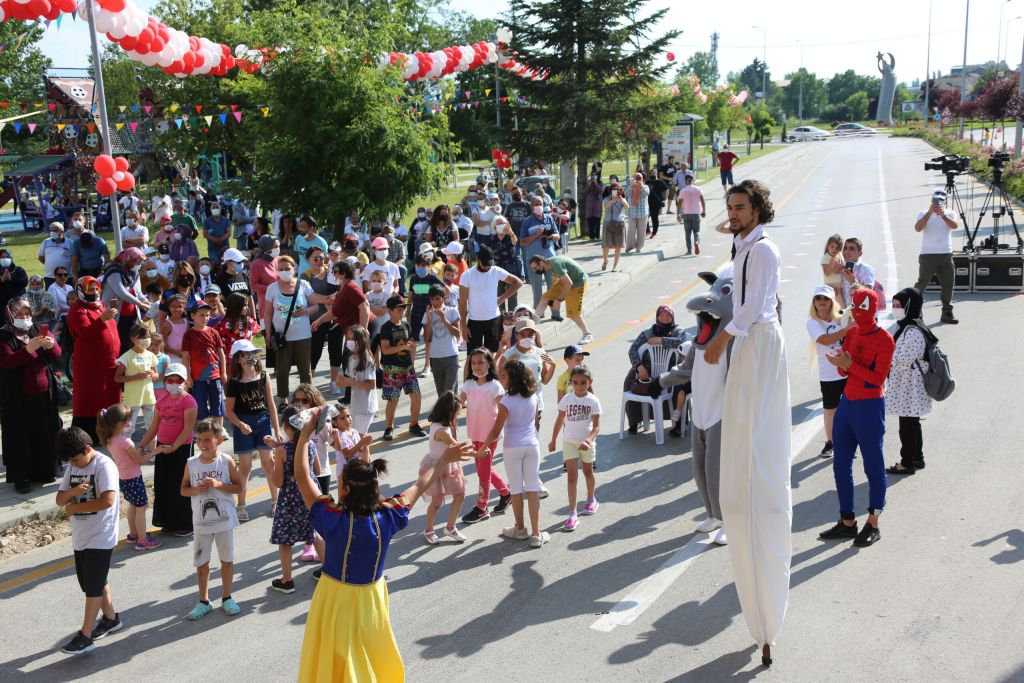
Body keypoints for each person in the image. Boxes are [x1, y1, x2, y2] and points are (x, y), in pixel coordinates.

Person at [290, 409, 473, 682]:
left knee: (338, 662)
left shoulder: (334, 519)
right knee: (369, 657)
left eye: (340, 482)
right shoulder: (389, 515)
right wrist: (445, 458)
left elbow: (303, 478)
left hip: (336, 599)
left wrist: (304, 435)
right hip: (372, 598)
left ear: (346, 490)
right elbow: (421, 484)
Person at [703, 179, 791, 668]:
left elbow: (756, 306)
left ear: (759, 208)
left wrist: (721, 338)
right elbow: (729, 228)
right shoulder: (744, 241)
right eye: (730, 207)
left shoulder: (764, 251)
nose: (731, 214)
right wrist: (736, 219)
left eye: (741, 207)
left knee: (756, 452)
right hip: (748, 341)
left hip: (756, 341)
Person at [819, 288, 894, 549]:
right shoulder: (851, 333)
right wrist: (840, 361)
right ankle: (847, 521)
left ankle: (873, 522)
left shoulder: (885, 339)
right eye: (855, 311)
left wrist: (850, 366)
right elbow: (843, 368)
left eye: (861, 311)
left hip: (870, 406)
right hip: (848, 403)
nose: (857, 317)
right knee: (840, 464)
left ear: (871, 311)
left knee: (873, 466)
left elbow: (877, 379)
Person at [54, 427, 124, 655]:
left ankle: (85, 635)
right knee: (91, 581)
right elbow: (59, 499)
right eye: (69, 461)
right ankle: (112, 619)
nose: (74, 464)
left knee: (92, 586)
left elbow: (108, 500)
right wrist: (73, 493)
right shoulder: (74, 467)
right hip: (81, 535)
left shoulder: (104, 465)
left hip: (101, 535)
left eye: (75, 459)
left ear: (87, 448)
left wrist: (74, 507)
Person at [479, 359, 549, 548]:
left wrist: (483, 447)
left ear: (513, 379)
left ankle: (520, 528)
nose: (501, 380)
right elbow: (536, 423)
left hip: (512, 447)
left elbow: (495, 430)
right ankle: (536, 533)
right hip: (532, 445)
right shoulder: (533, 397)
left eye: (503, 376)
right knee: (533, 488)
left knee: (516, 489)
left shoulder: (506, 401)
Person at [181, 418, 243, 619]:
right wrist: (195, 490)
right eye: (199, 440)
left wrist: (218, 485)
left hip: (224, 521)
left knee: (226, 559)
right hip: (201, 523)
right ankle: (203, 600)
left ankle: (227, 597)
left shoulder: (226, 461)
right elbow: (183, 489)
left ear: (219, 440)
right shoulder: (191, 463)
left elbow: (238, 487)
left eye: (207, 440)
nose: (202, 444)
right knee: (202, 561)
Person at [0, 296, 62, 493]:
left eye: (27, 314)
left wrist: (51, 346)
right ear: (11, 315)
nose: (24, 317)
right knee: (21, 437)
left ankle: (45, 471)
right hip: (19, 398)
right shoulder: (4, 335)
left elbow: (57, 355)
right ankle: (22, 477)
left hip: (44, 394)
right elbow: (7, 362)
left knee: (44, 433)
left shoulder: (36, 329)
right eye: (19, 314)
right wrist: (28, 349)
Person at [265, 406, 324, 594]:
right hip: (310, 493)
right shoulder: (310, 445)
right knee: (315, 533)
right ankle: (329, 571)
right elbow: (318, 471)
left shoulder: (283, 451)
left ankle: (287, 579)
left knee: (285, 539)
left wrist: (275, 461)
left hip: (290, 498)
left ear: (286, 426)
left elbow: (278, 481)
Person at [224, 339, 280, 521]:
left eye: (253, 354)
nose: (251, 358)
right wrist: (240, 425)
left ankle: (275, 501)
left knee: (269, 464)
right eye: (247, 355)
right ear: (238, 359)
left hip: (263, 422)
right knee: (246, 467)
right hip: (244, 424)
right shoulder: (234, 382)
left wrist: (277, 429)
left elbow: (271, 404)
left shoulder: (263, 376)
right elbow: (229, 411)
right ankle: (241, 505)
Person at [139, 362, 198, 537]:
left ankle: (185, 523)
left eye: (177, 380)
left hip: (181, 448)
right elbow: (154, 426)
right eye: (170, 380)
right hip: (162, 448)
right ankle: (168, 521)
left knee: (180, 485)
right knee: (163, 485)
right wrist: (141, 445)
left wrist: (174, 447)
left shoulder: (189, 401)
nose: (173, 383)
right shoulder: (161, 401)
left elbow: (188, 428)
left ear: (185, 382)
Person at [459, 348, 512, 524]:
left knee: (483, 472)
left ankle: (482, 507)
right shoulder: (468, 384)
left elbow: (505, 409)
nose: (477, 366)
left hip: (490, 436)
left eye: (481, 362)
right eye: (474, 363)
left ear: (489, 363)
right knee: (484, 468)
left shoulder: (495, 386)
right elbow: (458, 403)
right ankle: (505, 493)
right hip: (475, 433)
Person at [95, 404, 160, 550]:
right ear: (122, 423)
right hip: (134, 478)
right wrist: (155, 451)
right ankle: (143, 540)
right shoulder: (125, 441)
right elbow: (139, 460)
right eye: (128, 419)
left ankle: (133, 534)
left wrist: (137, 453)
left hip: (123, 478)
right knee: (141, 507)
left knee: (133, 505)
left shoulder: (110, 439)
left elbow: (130, 457)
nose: (130, 422)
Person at [885, 288, 935, 475]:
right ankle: (917, 458)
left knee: (907, 427)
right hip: (907, 385)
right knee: (912, 424)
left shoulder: (913, 330)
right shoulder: (907, 326)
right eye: (894, 305)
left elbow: (903, 359)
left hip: (910, 386)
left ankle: (906, 463)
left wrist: (886, 354)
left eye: (899, 306)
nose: (895, 309)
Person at [67, 277, 122, 443]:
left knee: (109, 397)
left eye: (96, 289)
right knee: (91, 400)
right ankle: (90, 436)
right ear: (81, 291)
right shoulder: (77, 310)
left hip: (109, 362)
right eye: (90, 290)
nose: (95, 292)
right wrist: (102, 319)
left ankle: (110, 432)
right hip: (90, 364)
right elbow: (85, 332)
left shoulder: (100, 306)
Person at [548, 366, 601, 532]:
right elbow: (559, 420)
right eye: (575, 383)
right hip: (569, 442)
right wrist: (553, 439)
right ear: (571, 383)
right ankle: (572, 513)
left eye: (583, 383)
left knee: (587, 472)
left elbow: (597, 427)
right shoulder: (566, 399)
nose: (579, 386)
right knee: (571, 477)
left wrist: (589, 439)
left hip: (586, 444)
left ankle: (591, 498)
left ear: (589, 382)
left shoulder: (593, 401)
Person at [622, 305, 687, 433]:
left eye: (668, 315)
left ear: (672, 317)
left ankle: (679, 425)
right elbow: (633, 349)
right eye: (661, 315)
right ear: (657, 317)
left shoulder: (678, 330)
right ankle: (635, 422)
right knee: (629, 381)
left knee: (679, 384)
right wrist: (639, 367)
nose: (665, 318)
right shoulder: (649, 332)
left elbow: (681, 342)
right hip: (648, 369)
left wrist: (660, 340)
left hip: (670, 370)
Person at [806, 286, 850, 458]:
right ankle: (830, 442)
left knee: (848, 408)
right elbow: (824, 340)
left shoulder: (841, 319)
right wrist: (845, 330)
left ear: (832, 302)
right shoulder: (812, 322)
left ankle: (847, 441)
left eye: (825, 299)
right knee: (830, 410)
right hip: (828, 374)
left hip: (847, 371)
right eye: (818, 298)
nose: (821, 302)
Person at [420, 391, 469, 544]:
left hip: (450, 464)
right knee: (437, 501)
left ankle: (450, 527)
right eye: (457, 412)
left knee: (460, 494)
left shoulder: (449, 425)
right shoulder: (441, 430)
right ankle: (428, 530)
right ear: (449, 412)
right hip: (436, 466)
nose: (459, 415)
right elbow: (457, 447)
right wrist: (479, 454)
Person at [265, 256, 314, 405]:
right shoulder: (272, 288)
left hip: (303, 335)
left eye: (287, 268)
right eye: (281, 269)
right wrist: (268, 333)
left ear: (294, 269)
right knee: (282, 369)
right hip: (282, 336)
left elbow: (315, 306)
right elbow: (267, 313)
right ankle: (283, 400)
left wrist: (305, 311)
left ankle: (307, 398)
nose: (284, 271)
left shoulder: (304, 285)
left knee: (305, 369)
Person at [458, 245, 523, 353]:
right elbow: (463, 302)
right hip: (474, 321)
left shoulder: (496, 271)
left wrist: (502, 298)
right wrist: (463, 326)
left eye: (489, 265)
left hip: (494, 319)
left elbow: (518, 283)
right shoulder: (467, 275)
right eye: (485, 265)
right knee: (472, 356)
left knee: (491, 354)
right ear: (478, 260)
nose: (487, 267)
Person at [378, 295, 425, 441]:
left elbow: (411, 343)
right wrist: (404, 346)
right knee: (393, 399)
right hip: (392, 368)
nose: (402, 310)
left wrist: (412, 360)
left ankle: (414, 424)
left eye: (403, 308)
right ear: (390, 310)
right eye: (399, 308)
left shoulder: (406, 325)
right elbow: (385, 349)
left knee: (416, 397)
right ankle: (389, 427)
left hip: (407, 368)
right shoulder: (386, 328)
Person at [498, 318, 556, 430]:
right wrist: (508, 365)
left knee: (534, 431)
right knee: (517, 431)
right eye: (523, 334)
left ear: (535, 335)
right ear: (516, 335)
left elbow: (545, 380)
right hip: (516, 401)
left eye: (530, 334)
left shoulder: (540, 353)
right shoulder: (509, 354)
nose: (527, 337)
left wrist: (553, 365)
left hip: (536, 401)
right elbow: (501, 380)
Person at [914, 189, 960, 324]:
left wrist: (943, 215)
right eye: (935, 200)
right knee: (921, 284)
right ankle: (915, 312)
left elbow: (954, 226)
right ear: (931, 199)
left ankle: (947, 313)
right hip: (928, 255)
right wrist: (929, 213)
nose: (937, 202)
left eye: (940, 200)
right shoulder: (923, 213)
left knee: (948, 284)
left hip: (945, 254)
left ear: (945, 201)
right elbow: (918, 228)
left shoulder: (950, 213)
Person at [529, 255, 593, 344]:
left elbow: (569, 283)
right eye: (533, 269)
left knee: (573, 314)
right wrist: (553, 298)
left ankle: (587, 334)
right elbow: (555, 279)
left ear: (541, 263)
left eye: (535, 268)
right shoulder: (548, 265)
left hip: (578, 284)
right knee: (545, 298)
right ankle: (531, 326)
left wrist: (558, 300)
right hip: (566, 282)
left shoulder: (555, 264)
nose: (535, 271)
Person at [182, 300, 227, 425]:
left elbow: (221, 353)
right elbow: (185, 357)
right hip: (197, 378)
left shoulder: (214, 332)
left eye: (207, 315)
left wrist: (223, 372)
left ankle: (219, 429)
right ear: (193, 316)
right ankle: (203, 430)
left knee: (217, 403)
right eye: (201, 315)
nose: (205, 318)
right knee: (200, 405)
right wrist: (188, 375)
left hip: (215, 375)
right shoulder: (188, 335)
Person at [114, 322, 158, 434]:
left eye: (148, 336)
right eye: (142, 337)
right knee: (128, 429)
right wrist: (136, 377)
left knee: (152, 428)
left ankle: (153, 451)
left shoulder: (151, 355)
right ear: (133, 339)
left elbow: (156, 375)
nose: (146, 340)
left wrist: (152, 375)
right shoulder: (127, 357)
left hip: (149, 397)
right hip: (132, 399)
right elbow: (117, 378)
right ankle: (128, 450)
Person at [519, 197, 560, 309]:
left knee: (553, 287)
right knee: (537, 289)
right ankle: (538, 312)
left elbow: (557, 236)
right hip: (533, 260)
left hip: (549, 258)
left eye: (540, 204)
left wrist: (549, 236)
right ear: (531, 206)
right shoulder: (527, 222)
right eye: (535, 204)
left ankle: (555, 312)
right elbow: (522, 242)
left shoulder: (549, 219)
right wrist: (535, 235)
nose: (538, 206)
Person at [422, 285, 462, 396]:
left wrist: (444, 319)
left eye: (437, 298)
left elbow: (457, 334)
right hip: (435, 357)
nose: (435, 302)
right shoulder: (427, 314)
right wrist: (429, 320)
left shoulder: (452, 311)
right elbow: (427, 338)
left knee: (450, 390)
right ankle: (444, 412)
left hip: (451, 355)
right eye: (432, 299)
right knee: (441, 391)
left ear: (443, 298)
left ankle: (452, 412)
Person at [338, 324, 378, 435]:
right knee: (357, 439)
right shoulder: (351, 358)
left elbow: (371, 385)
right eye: (348, 339)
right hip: (355, 405)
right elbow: (349, 380)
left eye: (353, 339)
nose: (349, 342)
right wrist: (341, 381)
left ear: (361, 340)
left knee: (360, 440)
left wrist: (350, 382)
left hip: (365, 408)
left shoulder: (367, 361)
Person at [407, 254, 444, 343]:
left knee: (428, 339)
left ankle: (428, 357)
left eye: (423, 265)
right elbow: (411, 295)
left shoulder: (432, 279)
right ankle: (412, 357)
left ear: (429, 266)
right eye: (418, 265)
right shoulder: (413, 279)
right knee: (412, 339)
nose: (420, 268)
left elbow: (445, 290)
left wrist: (438, 305)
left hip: (428, 314)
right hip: (415, 313)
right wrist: (408, 311)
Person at [490, 216, 523, 313]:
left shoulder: (510, 236)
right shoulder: (491, 238)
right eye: (498, 224)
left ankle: (512, 316)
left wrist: (511, 232)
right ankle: (501, 317)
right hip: (496, 270)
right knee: (498, 294)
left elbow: (515, 242)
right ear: (495, 226)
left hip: (510, 269)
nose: (500, 225)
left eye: (502, 223)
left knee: (511, 294)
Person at [250, 235, 280, 321]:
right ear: (267, 247)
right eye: (275, 247)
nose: (278, 249)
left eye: (279, 246)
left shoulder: (279, 260)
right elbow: (253, 285)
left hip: (281, 302)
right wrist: (270, 288)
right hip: (266, 303)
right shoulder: (257, 264)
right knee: (268, 332)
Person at [840, 237, 875, 306]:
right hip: (842, 313)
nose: (846, 251)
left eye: (851, 249)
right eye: (845, 248)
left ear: (860, 253)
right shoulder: (838, 267)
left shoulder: (866, 269)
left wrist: (853, 281)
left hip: (859, 313)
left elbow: (869, 293)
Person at [38, 221, 73, 289]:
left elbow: (74, 258)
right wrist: (50, 264)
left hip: (66, 276)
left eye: (55, 230)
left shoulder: (70, 243)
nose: (52, 232)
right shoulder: (46, 242)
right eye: (51, 230)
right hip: (50, 276)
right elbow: (41, 257)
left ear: (62, 231)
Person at [601, 181, 627, 271]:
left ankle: (615, 266)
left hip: (619, 223)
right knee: (606, 246)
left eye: (618, 190)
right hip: (608, 223)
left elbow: (627, 207)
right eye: (614, 190)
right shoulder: (607, 198)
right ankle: (605, 261)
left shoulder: (622, 198)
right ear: (611, 191)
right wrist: (613, 199)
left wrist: (622, 200)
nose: (616, 192)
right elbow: (606, 206)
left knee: (618, 246)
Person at [678, 171, 706, 256]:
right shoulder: (698, 189)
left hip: (686, 214)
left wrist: (678, 214)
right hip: (696, 213)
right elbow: (702, 201)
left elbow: (679, 203)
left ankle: (689, 250)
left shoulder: (682, 190)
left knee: (687, 233)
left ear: (686, 181)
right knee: (696, 231)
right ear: (692, 180)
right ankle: (696, 242)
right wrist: (704, 211)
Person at [820, 234, 846, 309]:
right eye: (832, 247)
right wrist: (831, 265)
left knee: (841, 306)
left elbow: (839, 270)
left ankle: (841, 319)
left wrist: (839, 267)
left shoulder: (839, 255)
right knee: (834, 306)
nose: (834, 250)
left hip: (840, 285)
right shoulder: (826, 258)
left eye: (837, 248)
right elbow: (827, 273)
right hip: (831, 286)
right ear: (828, 246)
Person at [584, 173, 604, 241]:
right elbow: (585, 191)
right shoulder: (588, 182)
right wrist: (589, 184)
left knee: (597, 221)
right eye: (592, 176)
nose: (593, 177)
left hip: (597, 205)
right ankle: (591, 237)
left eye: (594, 176)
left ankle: (597, 236)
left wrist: (596, 183)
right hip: (590, 205)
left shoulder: (600, 183)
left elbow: (601, 191)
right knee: (590, 222)